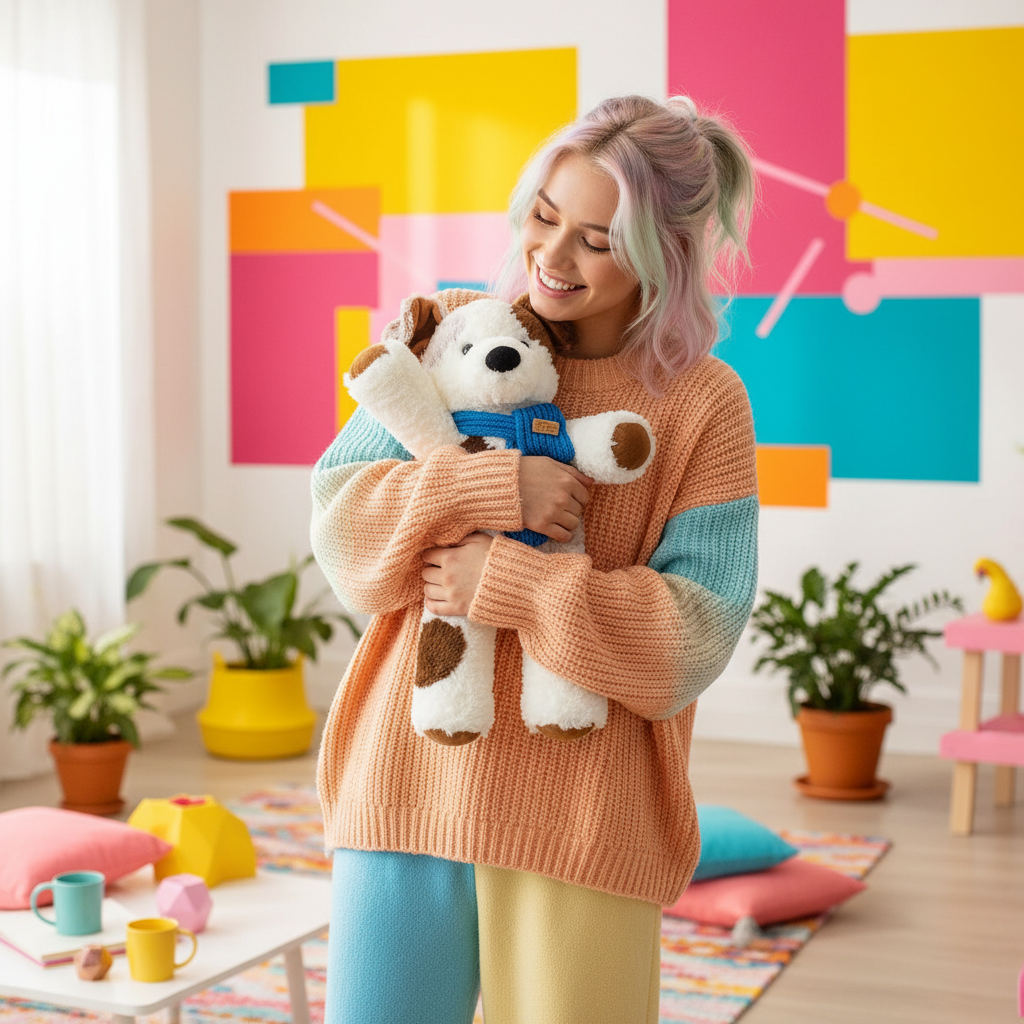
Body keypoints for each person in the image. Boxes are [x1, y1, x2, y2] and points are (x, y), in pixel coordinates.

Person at [310, 94, 759, 1024]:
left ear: (665, 257)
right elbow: (345, 539)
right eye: (544, 219)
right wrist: (488, 488)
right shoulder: (448, 340)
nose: (550, 259)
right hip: (406, 784)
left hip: (583, 821)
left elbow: (693, 639)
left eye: (597, 240)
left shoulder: (705, 405)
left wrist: (513, 584)